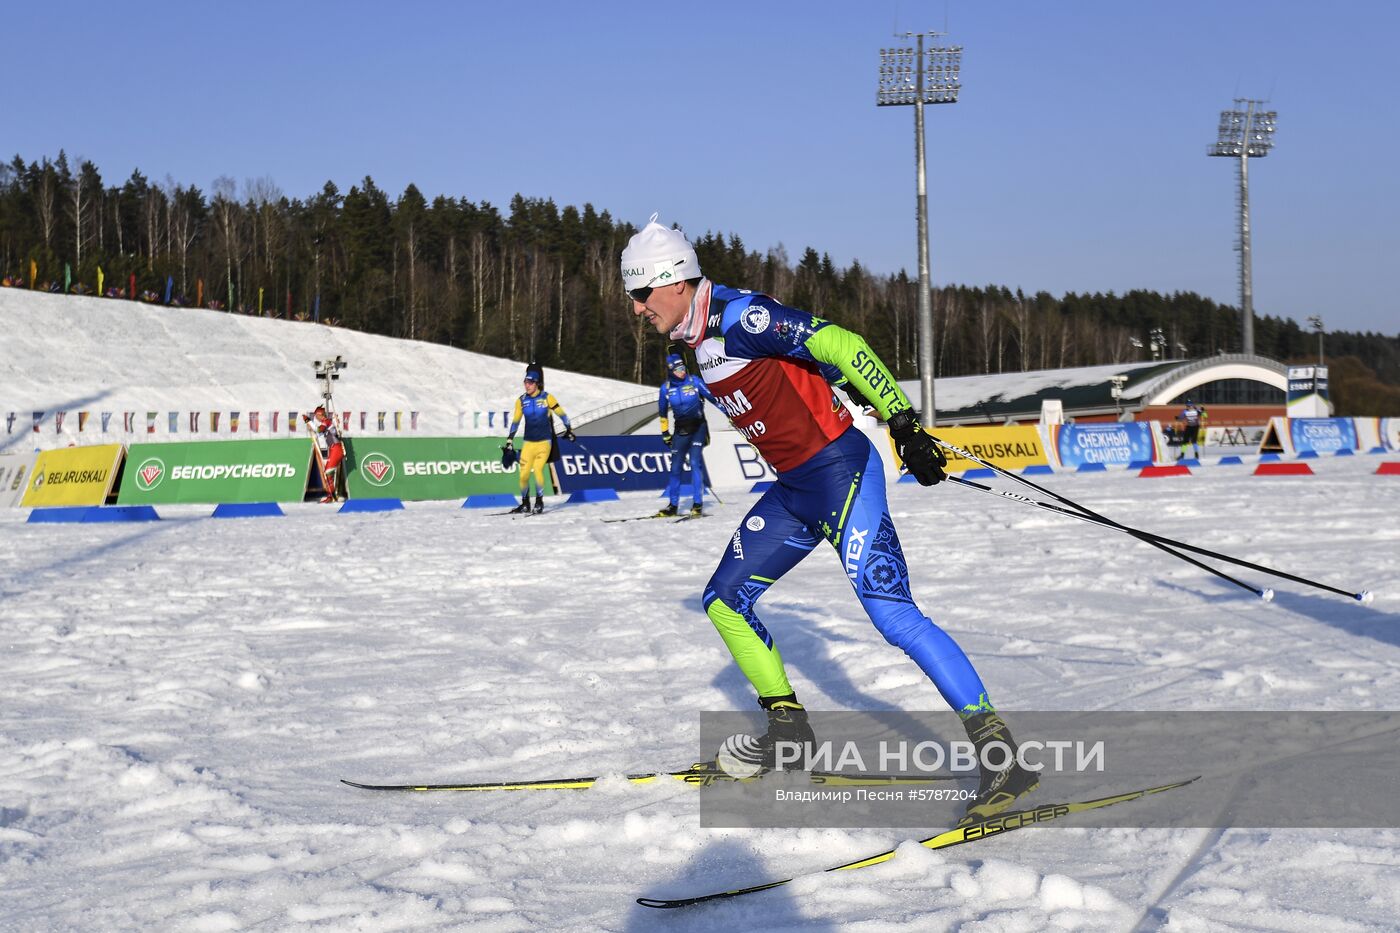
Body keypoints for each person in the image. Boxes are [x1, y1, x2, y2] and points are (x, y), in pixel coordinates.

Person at [621, 214, 1037, 823]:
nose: (635, 309)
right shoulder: (689, 340)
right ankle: (788, 733)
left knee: (894, 617)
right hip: (794, 489)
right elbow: (812, 373)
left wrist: (901, 420)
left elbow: (841, 344)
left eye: (640, 294)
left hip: (842, 474)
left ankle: (1002, 757)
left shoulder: (741, 318)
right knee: (723, 600)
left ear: (674, 281)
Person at [656, 351, 721, 517]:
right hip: (681, 431)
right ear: (671, 371)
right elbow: (662, 414)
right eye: (678, 370)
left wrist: (731, 413)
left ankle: (697, 504)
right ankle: (673, 505)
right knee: (675, 468)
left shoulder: (695, 382)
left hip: (698, 428)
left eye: (683, 367)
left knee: (694, 462)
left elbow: (715, 399)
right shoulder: (666, 389)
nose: (682, 371)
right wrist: (665, 434)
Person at [505, 363, 574, 514]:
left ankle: (539, 502)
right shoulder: (521, 400)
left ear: (537, 383)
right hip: (529, 442)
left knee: (537, 469)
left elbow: (561, 413)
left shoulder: (547, 397)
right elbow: (515, 421)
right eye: (525, 382)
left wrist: (569, 428)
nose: (527, 386)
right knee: (523, 474)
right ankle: (525, 504)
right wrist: (509, 440)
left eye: (530, 383)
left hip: (544, 442)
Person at [302, 405, 344, 503]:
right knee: (328, 474)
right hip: (333, 449)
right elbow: (318, 433)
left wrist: (308, 421)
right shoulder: (326, 423)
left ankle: (332, 496)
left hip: (336, 449)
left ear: (320, 415)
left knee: (328, 473)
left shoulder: (326, 422)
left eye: (317, 416)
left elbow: (318, 430)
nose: (316, 418)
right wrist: (309, 424)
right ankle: (332, 495)